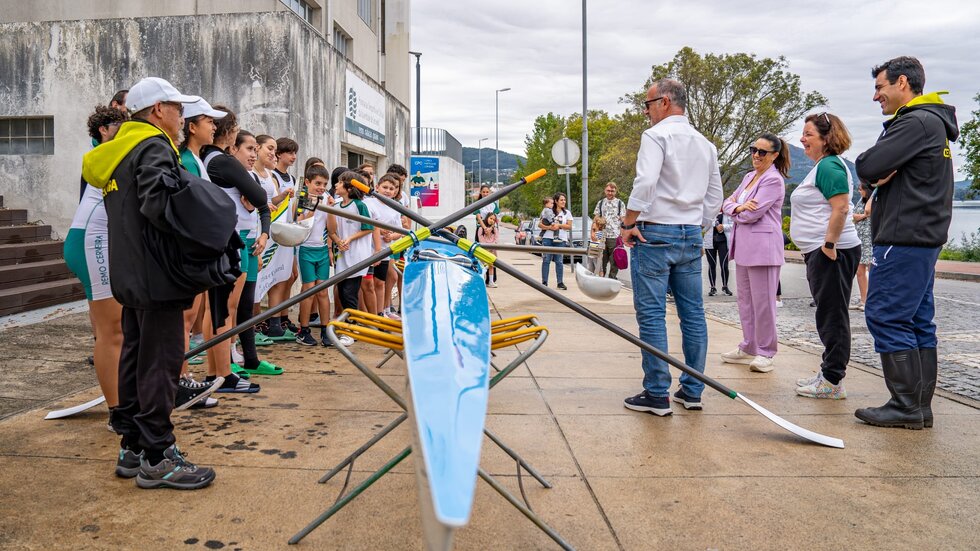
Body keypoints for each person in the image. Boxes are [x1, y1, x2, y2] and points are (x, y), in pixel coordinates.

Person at [81, 77, 221, 489]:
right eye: (178, 108)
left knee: (135, 355)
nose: (183, 117)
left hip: (129, 270)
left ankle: (132, 446)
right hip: (157, 274)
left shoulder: (119, 150)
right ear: (158, 110)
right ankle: (159, 457)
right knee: (160, 362)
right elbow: (162, 204)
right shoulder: (155, 145)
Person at [854, 56, 959, 429]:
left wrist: (873, 174)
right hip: (921, 236)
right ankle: (918, 406)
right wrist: (877, 176)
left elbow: (866, 165)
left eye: (880, 87)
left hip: (904, 235)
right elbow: (876, 170)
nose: (875, 96)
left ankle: (904, 404)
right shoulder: (931, 122)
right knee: (916, 319)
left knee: (886, 313)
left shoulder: (915, 121)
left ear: (902, 83)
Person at [619, 78, 723, 416]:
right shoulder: (705, 144)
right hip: (691, 232)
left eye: (647, 105)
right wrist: (698, 223)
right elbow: (715, 196)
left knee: (652, 315)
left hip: (655, 232)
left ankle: (657, 393)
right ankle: (692, 390)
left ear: (664, 103)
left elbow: (646, 181)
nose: (646, 112)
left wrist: (628, 223)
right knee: (693, 314)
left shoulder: (656, 136)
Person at [64, 105, 128, 430]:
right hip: (92, 240)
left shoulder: (115, 152)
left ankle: (121, 400)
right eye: (121, 123)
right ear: (103, 129)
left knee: (114, 330)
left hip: (95, 238)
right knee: (112, 331)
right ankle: (118, 413)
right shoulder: (106, 154)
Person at [791, 113, 862, 400]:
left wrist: (829, 244)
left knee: (832, 315)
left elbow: (842, 208)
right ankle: (829, 373)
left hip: (833, 252)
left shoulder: (830, 166)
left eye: (808, 134)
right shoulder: (824, 166)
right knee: (828, 313)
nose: (802, 139)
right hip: (824, 251)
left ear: (826, 138)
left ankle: (833, 381)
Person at [200, 120, 269, 390]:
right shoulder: (221, 162)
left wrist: (260, 224)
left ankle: (219, 371)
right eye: (249, 148)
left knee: (222, 309)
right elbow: (260, 196)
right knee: (223, 309)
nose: (254, 154)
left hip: (240, 239)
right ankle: (221, 373)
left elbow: (260, 203)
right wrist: (254, 199)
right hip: (231, 239)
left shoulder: (223, 165)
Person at [720, 133, 789, 374]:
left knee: (764, 303)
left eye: (762, 152)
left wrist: (736, 209)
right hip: (744, 248)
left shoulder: (773, 180)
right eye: (754, 150)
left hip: (764, 249)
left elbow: (753, 214)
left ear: (774, 156)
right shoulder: (749, 177)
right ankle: (748, 345)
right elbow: (727, 203)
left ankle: (766, 351)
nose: (756, 155)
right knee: (746, 301)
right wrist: (738, 206)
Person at [327, 170, 382, 347]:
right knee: (342, 292)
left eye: (340, 182)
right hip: (343, 254)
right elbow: (332, 230)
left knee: (350, 293)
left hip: (358, 255)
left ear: (350, 188)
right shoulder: (335, 205)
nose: (336, 184)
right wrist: (337, 241)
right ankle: (349, 326)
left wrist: (349, 239)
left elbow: (368, 228)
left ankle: (351, 330)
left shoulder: (360, 205)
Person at [294, 165, 334, 347]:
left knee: (323, 291)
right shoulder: (302, 197)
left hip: (322, 250)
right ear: (308, 182)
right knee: (308, 290)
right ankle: (303, 330)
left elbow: (332, 228)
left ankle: (326, 330)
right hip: (306, 249)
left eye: (324, 184)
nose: (321, 187)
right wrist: (315, 206)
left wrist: (330, 209)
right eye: (318, 183)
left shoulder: (327, 198)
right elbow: (300, 222)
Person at [593, 182, 626, 279]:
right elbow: (596, 217)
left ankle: (612, 278)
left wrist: (623, 233)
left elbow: (623, 219)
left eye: (612, 191)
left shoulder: (620, 203)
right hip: (601, 234)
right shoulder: (601, 203)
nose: (610, 193)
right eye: (608, 190)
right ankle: (601, 279)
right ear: (605, 190)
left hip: (614, 235)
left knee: (614, 259)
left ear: (615, 191)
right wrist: (594, 232)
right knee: (601, 259)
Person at [539, 192, 571, 290]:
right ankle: (544, 283)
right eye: (561, 200)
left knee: (559, 261)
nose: (563, 201)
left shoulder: (567, 213)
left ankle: (560, 282)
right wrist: (549, 227)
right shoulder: (548, 211)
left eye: (564, 200)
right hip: (548, 238)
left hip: (561, 239)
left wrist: (559, 226)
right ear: (556, 201)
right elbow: (540, 225)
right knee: (546, 260)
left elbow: (569, 226)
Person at [851, 183, 874, 311]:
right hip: (860, 238)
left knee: (872, 270)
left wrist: (863, 216)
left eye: (861, 189)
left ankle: (872, 301)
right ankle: (863, 300)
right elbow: (853, 216)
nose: (859, 191)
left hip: (870, 239)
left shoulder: (874, 199)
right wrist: (864, 217)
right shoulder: (861, 200)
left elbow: (868, 211)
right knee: (860, 270)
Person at [703, 211, 732, 297]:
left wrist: (723, 226)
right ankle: (712, 287)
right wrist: (714, 223)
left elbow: (734, 225)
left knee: (724, 265)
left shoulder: (727, 213)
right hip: (709, 241)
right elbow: (702, 224)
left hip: (723, 241)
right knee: (712, 265)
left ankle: (725, 286)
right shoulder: (707, 212)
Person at [477, 212, 499, 287]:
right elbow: (481, 240)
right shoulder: (480, 229)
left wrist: (492, 246)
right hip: (484, 251)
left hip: (492, 251)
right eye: (491, 218)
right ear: (487, 218)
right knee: (483, 266)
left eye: (493, 219)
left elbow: (496, 240)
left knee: (491, 266)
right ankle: (482, 281)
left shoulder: (495, 229)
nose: (492, 220)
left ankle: (491, 282)